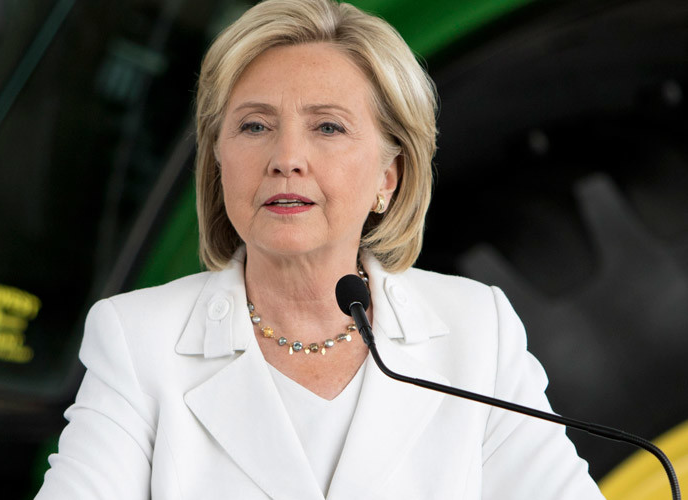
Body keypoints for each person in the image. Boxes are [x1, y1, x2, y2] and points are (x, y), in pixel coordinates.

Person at [35, 0, 606, 498]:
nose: (286, 157)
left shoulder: (478, 331)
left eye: (327, 128)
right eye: (254, 127)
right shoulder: (138, 340)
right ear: (218, 161)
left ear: (390, 175)